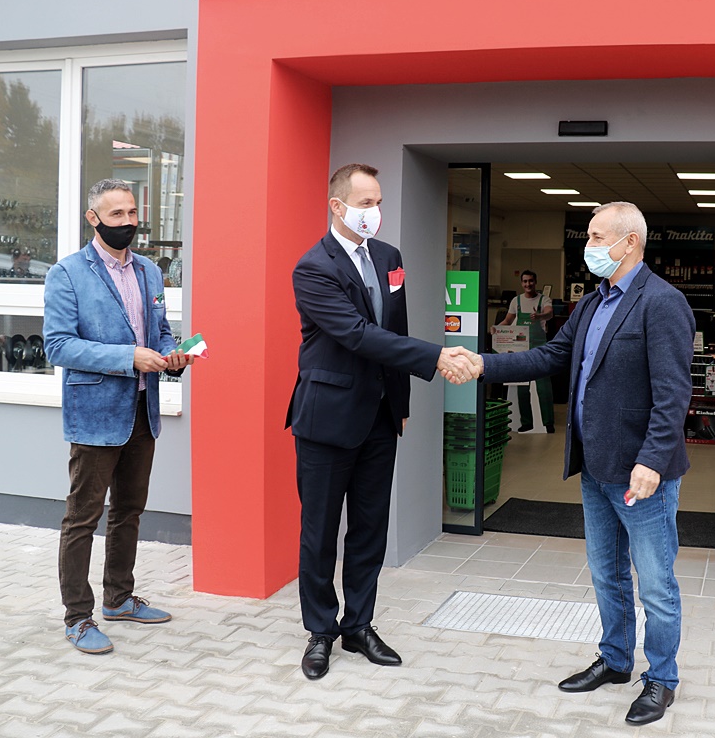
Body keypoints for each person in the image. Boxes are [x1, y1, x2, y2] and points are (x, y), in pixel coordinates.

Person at [461, 201, 694, 726]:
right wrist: (482, 364)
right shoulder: (591, 303)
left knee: (655, 583)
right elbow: (550, 356)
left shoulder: (663, 301)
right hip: (595, 467)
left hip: (640, 474)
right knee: (606, 573)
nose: (588, 246)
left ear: (629, 242)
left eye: (596, 236)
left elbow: (673, 392)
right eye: (588, 236)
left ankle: (661, 678)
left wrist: (652, 460)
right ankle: (615, 661)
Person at [286, 162, 475, 681]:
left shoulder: (389, 257)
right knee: (320, 532)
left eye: (378, 202)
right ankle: (320, 631)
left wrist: (402, 405)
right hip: (327, 418)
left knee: (370, 528)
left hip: (379, 416)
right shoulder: (313, 268)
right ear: (337, 206)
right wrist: (435, 357)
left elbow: (397, 326)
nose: (375, 212)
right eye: (365, 203)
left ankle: (358, 625)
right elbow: (357, 334)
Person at [43, 178, 194, 655]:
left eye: (132, 213)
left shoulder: (149, 270)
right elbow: (58, 346)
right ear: (93, 219)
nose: (128, 222)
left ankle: (119, 599)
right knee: (82, 518)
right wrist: (129, 357)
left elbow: (160, 330)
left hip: (142, 412)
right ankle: (77, 617)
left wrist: (172, 355)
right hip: (95, 416)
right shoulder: (67, 273)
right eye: (117, 215)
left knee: (129, 511)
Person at [493, 269, 555, 433]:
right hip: (521, 346)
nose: (528, 284)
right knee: (522, 385)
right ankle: (526, 422)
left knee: (543, 385)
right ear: (522, 283)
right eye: (525, 281)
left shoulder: (543, 299)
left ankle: (548, 423)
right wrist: (496, 329)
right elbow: (508, 320)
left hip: (539, 346)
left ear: (535, 282)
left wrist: (540, 316)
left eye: (531, 281)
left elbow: (549, 313)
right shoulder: (517, 301)